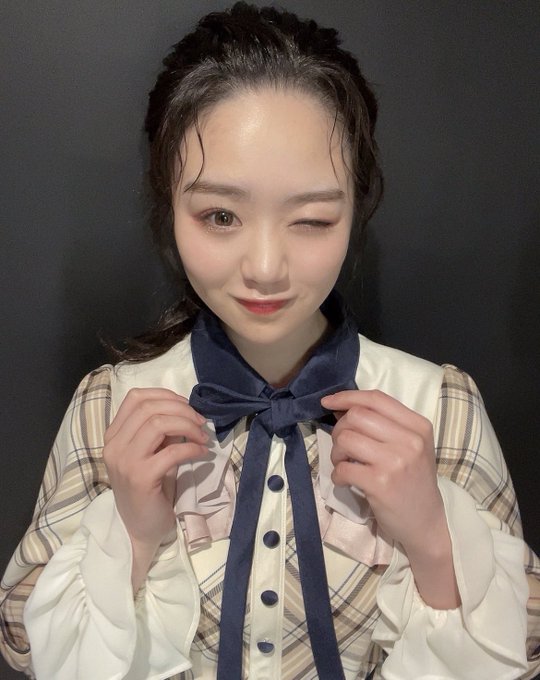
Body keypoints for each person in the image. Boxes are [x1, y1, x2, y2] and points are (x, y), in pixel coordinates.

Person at [1, 3, 539, 679]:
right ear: (168, 205)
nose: (264, 267)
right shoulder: (112, 406)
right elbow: (22, 644)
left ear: (357, 209)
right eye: (220, 216)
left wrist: (434, 538)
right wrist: (130, 536)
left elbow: (523, 653)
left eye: (311, 219)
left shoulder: (438, 407)